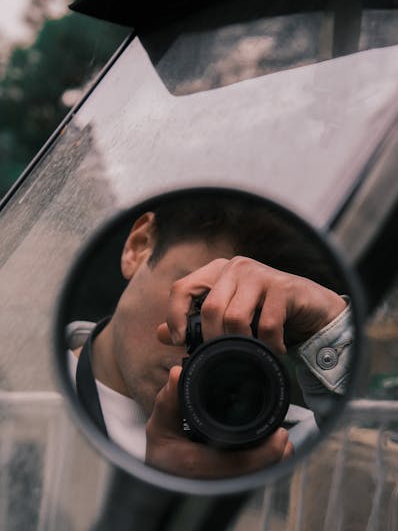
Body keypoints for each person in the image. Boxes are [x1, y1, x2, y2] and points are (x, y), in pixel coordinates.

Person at [66, 195, 353, 479]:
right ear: (139, 247)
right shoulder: (32, 397)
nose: (210, 341)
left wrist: (330, 327)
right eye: (198, 302)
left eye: (254, 321)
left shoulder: (299, 438)